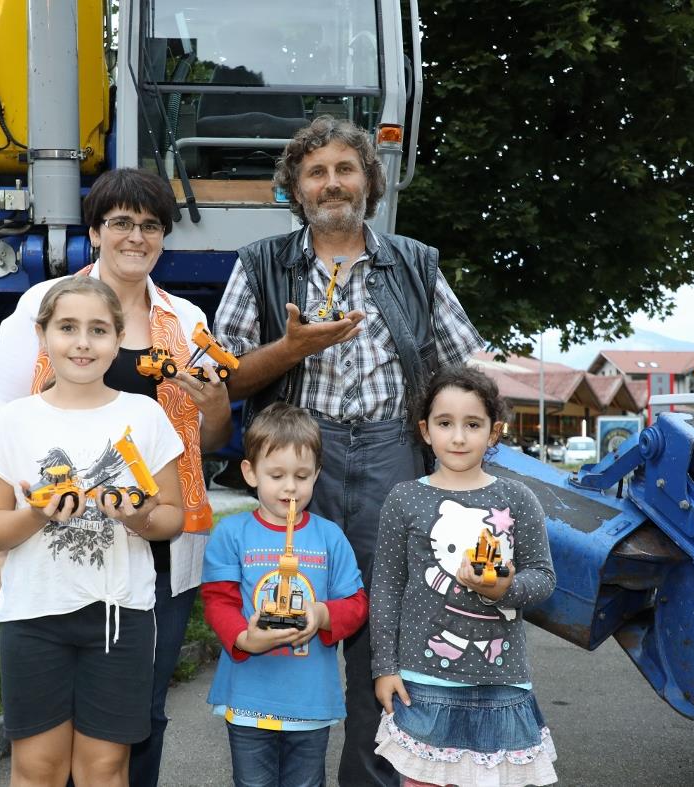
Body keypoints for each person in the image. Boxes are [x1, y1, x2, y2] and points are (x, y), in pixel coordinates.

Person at [213, 115, 484, 786]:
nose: (332, 182)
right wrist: (290, 348)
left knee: (384, 631)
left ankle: (369, 777)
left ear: (370, 181)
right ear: (295, 189)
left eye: (345, 168)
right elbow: (221, 377)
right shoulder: (262, 263)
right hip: (299, 459)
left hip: (395, 453)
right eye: (316, 171)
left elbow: (469, 367)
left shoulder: (416, 263)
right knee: (284, 609)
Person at [0, 167, 231, 786]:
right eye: (121, 222)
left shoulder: (187, 320)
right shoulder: (43, 308)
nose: (136, 237)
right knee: (44, 748)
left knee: (136, 715)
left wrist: (216, 403)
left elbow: (210, 439)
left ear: (163, 239)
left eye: (150, 226)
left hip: (159, 542)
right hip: (47, 539)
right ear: (95, 231)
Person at [0, 276, 186, 786]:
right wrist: (36, 514)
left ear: (118, 340)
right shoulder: (15, 422)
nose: (83, 342)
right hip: (34, 614)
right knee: (37, 768)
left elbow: (172, 517)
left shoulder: (146, 415)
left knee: (105, 768)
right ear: (43, 335)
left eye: (98, 330)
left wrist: (137, 517)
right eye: (67, 328)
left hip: (120, 616)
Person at [371, 365, 558, 787]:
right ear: (425, 429)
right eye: (445, 423)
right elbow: (385, 588)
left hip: (502, 683)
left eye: (472, 424)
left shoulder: (517, 498)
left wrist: (504, 587)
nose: (458, 437)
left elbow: (544, 579)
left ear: (494, 432)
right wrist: (384, 667)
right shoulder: (404, 499)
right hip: (422, 683)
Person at [201, 402, 368, 787]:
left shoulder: (329, 537)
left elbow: (356, 603)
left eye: (302, 475)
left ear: (317, 475)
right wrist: (245, 638)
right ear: (250, 472)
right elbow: (218, 599)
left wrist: (322, 616)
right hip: (248, 699)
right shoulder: (232, 534)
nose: (290, 487)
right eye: (276, 475)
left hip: (309, 702)